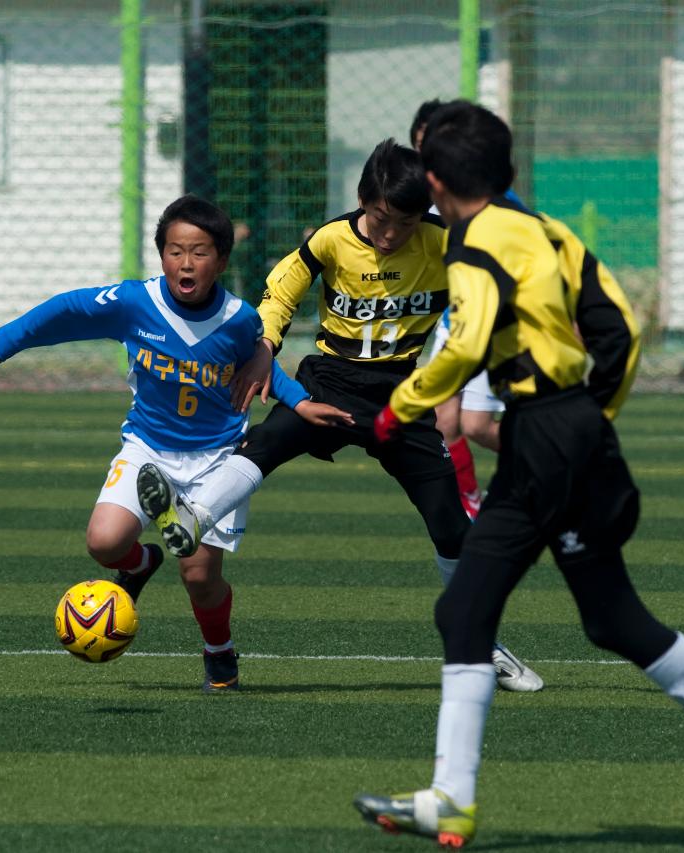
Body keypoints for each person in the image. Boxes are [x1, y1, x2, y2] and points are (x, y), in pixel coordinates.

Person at [354, 100, 684, 847]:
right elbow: (616, 324)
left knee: (468, 609)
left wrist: (400, 408)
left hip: (545, 441)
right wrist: (592, 418)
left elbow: (463, 348)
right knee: (598, 617)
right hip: (565, 434)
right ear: (509, 170)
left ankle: (451, 798)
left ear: (434, 181)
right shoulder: (543, 229)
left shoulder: (471, 247)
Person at [133, 140, 544, 692]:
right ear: (362, 201)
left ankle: (479, 642)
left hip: (401, 394)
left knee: (449, 519)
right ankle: (191, 518)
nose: (390, 232)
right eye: (379, 217)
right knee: (271, 439)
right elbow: (280, 292)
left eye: (404, 221)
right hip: (331, 378)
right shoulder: (332, 238)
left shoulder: (445, 245)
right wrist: (266, 343)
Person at [0, 195, 352, 692]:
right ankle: (142, 563)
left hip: (218, 460)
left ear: (222, 261)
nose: (186, 263)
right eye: (175, 250)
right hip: (148, 450)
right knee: (103, 542)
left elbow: (260, 365)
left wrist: (299, 401)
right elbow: (66, 311)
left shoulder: (239, 319)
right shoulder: (133, 303)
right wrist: (2, 345)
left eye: (201, 252)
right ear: (161, 253)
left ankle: (219, 652)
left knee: (200, 579)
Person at [412, 99, 504, 519]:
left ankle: (563, 467)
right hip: (455, 322)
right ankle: (470, 502)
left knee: (477, 426)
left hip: (492, 324)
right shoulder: (416, 197)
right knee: (444, 422)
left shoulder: (489, 198)